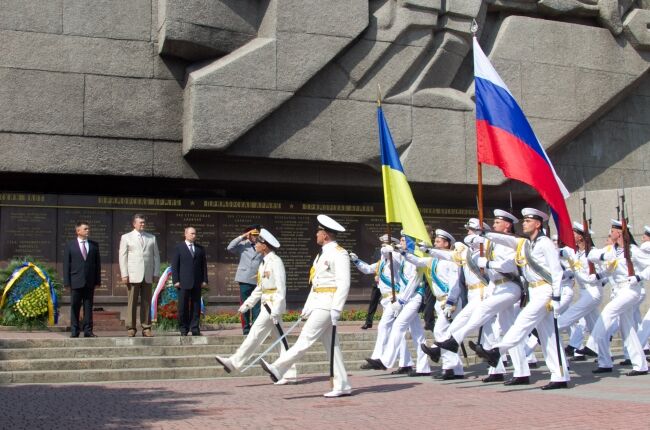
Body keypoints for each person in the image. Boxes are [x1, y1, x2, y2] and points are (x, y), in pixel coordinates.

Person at [473, 208, 570, 390]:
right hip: (533, 291)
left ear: (538, 224)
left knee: (522, 322)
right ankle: (560, 376)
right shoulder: (525, 244)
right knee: (547, 335)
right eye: (523, 220)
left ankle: (497, 351)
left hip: (545, 290)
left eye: (527, 220)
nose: (523, 223)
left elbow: (556, 272)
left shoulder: (545, 243)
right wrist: (486, 234)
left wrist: (556, 297)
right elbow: (507, 239)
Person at [260, 215, 352, 397]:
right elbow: (316, 283)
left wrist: (336, 309)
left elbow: (344, 283)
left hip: (328, 304)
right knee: (332, 347)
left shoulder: (339, 253)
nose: (315, 235)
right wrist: (308, 306)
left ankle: (279, 368)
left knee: (305, 339)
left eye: (318, 232)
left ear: (325, 235)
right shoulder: (321, 255)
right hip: (319, 303)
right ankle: (342, 385)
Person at [215, 228, 297, 384]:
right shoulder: (264, 262)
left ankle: (234, 362)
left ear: (265, 245)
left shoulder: (275, 262)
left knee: (255, 334)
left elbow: (281, 288)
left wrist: (277, 310)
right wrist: (247, 304)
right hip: (266, 303)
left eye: (259, 242)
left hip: (272, 306)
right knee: (279, 340)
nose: (256, 244)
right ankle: (289, 373)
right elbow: (260, 288)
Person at [585, 219, 649, 376]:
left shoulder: (632, 250)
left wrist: (639, 277)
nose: (610, 233)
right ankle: (640, 365)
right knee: (627, 329)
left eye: (612, 231)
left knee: (609, 310)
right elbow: (597, 258)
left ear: (619, 233)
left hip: (631, 289)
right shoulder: (613, 251)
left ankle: (592, 344)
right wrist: (599, 275)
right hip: (618, 291)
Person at [352, 235, 415, 375]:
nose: (382, 248)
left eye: (385, 245)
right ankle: (406, 363)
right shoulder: (382, 263)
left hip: (395, 299)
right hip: (386, 300)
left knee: (383, 326)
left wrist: (392, 250)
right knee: (396, 332)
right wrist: (356, 260)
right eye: (382, 245)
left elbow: (397, 257)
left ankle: (377, 358)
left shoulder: (396, 260)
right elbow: (368, 269)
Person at [119, 214, 161, 337]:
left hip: (147, 275)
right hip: (133, 275)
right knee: (132, 302)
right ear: (134, 224)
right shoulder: (126, 237)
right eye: (140, 222)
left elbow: (156, 257)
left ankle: (146, 327)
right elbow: (123, 257)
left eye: (143, 222)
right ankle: (131, 327)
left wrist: (156, 273)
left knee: (146, 302)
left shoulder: (151, 238)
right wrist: (124, 274)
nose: (143, 224)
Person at [63, 221, 101, 338]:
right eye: (85, 229)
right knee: (75, 306)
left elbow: (97, 264)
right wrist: (67, 282)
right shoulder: (70, 245)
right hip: (76, 280)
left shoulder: (94, 245)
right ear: (78, 231)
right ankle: (74, 330)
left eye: (88, 229)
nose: (87, 231)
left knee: (88, 307)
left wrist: (97, 280)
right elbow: (66, 264)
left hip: (89, 281)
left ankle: (88, 330)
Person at [171, 227, 208, 336]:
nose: (194, 235)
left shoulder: (200, 248)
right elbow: (175, 265)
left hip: (197, 282)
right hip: (183, 282)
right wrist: (176, 280)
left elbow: (203, 266)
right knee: (183, 306)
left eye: (195, 234)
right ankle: (184, 328)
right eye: (192, 233)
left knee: (196, 306)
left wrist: (204, 279)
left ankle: (195, 327)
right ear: (185, 234)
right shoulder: (179, 248)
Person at [227, 224, 263, 335]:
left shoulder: (261, 245)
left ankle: (255, 328)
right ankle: (246, 328)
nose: (255, 236)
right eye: (253, 234)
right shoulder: (243, 245)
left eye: (257, 234)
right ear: (249, 235)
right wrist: (242, 236)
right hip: (244, 279)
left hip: (257, 278)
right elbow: (230, 247)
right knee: (245, 304)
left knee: (257, 305)